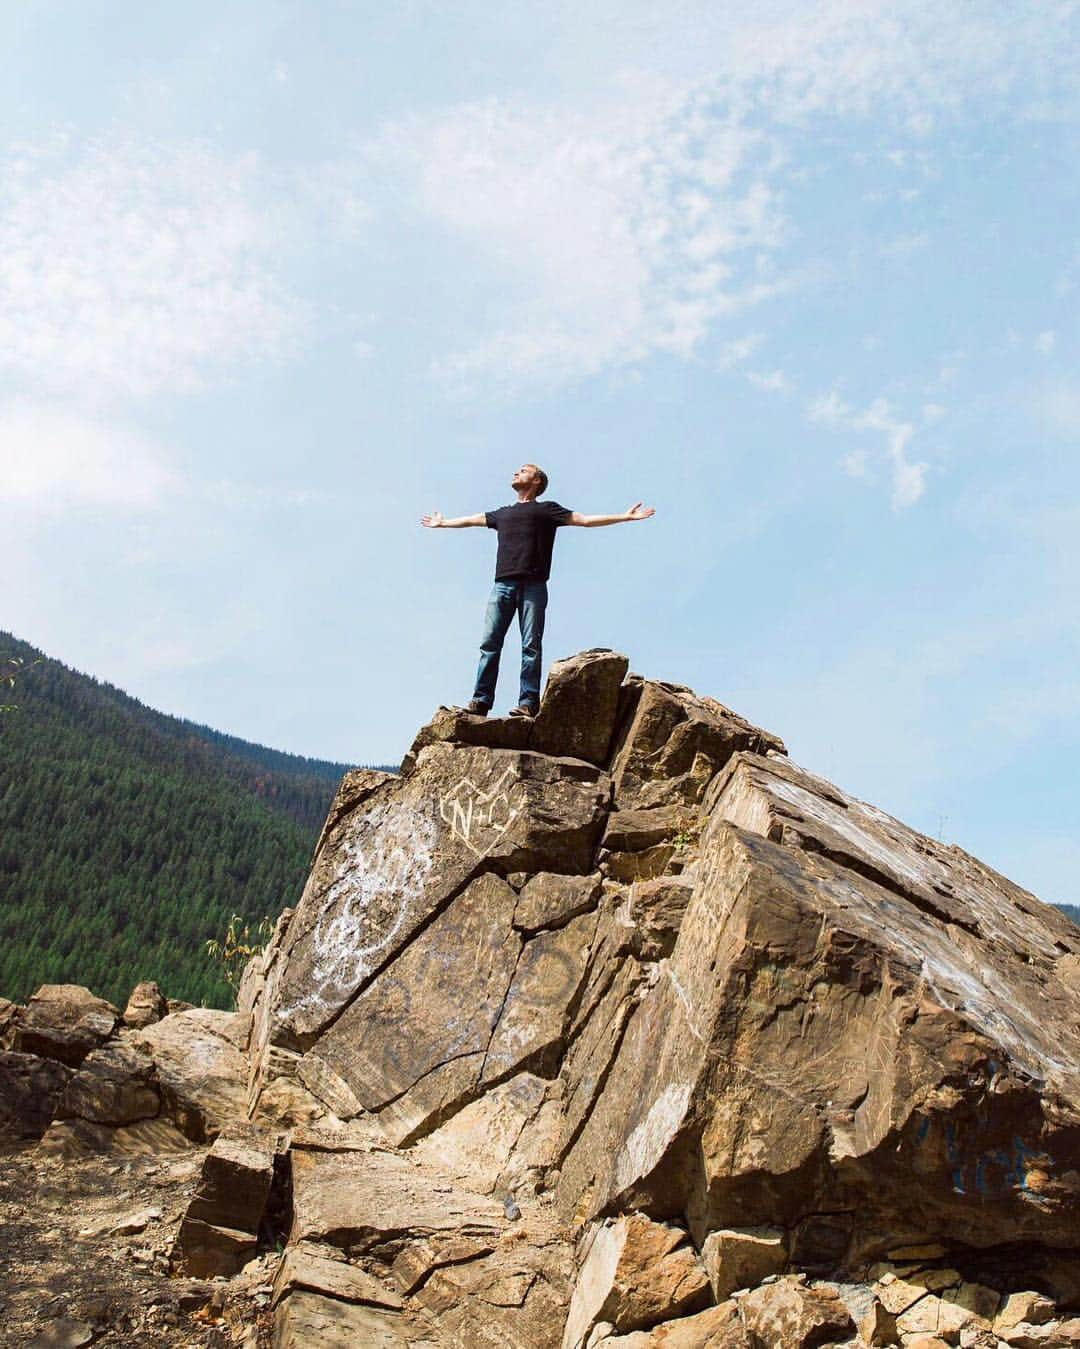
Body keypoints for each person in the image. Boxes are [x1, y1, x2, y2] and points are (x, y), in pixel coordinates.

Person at [420, 464, 656, 717]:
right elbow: (470, 520)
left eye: (523, 470)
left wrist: (624, 516)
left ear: (537, 481)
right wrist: (443, 523)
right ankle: (481, 701)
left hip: (533, 586)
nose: (515, 473)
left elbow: (585, 520)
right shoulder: (503, 514)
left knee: (530, 645)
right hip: (502, 585)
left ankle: (528, 702)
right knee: (490, 644)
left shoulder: (547, 510)